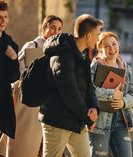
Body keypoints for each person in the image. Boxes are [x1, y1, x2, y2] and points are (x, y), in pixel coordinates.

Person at [0, 15, 63, 157]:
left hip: (45, 99)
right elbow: (17, 70)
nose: (55, 32)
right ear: (44, 28)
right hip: (26, 97)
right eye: (52, 28)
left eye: (59, 29)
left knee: (36, 138)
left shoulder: (58, 51)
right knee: (22, 134)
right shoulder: (32, 45)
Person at [38, 14, 103, 157]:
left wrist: (94, 106)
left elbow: (89, 86)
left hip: (76, 119)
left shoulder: (83, 54)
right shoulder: (61, 55)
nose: (98, 39)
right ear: (88, 35)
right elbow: (70, 93)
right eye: (97, 35)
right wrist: (87, 118)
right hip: (57, 120)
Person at [89, 31, 133, 157]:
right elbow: (89, 90)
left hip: (121, 121)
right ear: (100, 48)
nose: (112, 48)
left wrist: (123, 102)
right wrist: (112, 94)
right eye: (106, 46)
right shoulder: (95, 66)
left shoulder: (124, 67)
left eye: (114, 44)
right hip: (100, 122)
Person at [0, 1, 20, 150]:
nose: (3, 21)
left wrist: (14, 59)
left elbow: (14, 77)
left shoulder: (10, 44)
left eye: (5, 17)